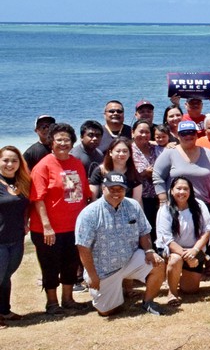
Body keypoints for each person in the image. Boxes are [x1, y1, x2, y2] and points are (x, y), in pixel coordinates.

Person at [76, 173, 167, 316]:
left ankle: (148, 301)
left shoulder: (133, 205)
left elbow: (144, 231)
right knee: (107, 312)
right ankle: (115, 295)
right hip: (103, 271)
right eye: (112, 189)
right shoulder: (90, 213)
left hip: (130, 260)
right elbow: (83, 247)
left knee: (158, 263)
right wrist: (93, 275)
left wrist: (149, 251)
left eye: (121, 189)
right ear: (103, 188)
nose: (116, 193)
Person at [30, 123, 90, 314]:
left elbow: (85, 194)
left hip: (73, 226)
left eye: (67, 139)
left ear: (72, 142)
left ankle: (68, 299)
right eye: (59, 140)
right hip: (49, 229)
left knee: (71, 264)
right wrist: (47, 226)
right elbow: (38, 198)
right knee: (50, 265)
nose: (63, 143)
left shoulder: (76, 163)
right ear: (51, 142)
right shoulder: (43, 166)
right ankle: (52, 303)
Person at [155, 177, 210, 305]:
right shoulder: (165, 209)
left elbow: (207, 231)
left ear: (190, 191)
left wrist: (194, 251)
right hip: (173, 251)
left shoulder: (200, 205)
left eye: (185, 189)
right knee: (176, 259)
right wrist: (187, 256)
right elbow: (167, 239)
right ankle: (172, 292)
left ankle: (175, 276)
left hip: (194, 249)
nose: (182, 192)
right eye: (178, 188)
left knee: (190, 290)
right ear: (171, 191)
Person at [153, 120, 210, 209]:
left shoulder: (208, 153)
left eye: (192, 132)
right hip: (176, 206)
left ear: (196, 135)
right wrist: (163, 200)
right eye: (184, 133)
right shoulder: (169, 153)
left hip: (204, 206)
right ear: (178, 135)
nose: (188, 136)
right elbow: (157, 176)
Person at [0, 146, 31, 326]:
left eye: (14, 160)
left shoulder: (22, 183)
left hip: (17, 238)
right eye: (5, 160)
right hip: (0, 240)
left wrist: (26, 222)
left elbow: (26, 205)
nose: (10, 164)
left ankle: (5, 310)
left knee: (6, 276)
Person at [131, 120, 162, 238]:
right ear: (133, 133)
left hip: (158, 198)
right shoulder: (128, 150)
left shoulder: (155, 148)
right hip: (139, 199)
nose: (144, 135)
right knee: (142, 232)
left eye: (147, 132)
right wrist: (145, 173)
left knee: (157, 231)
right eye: (141, 132)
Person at [88, 137, 143, 203]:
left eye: (125, 151)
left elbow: (136, 201)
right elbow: (93, 198)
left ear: (130, 154)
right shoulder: (100, 171)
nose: (121, 154)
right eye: (118, 151)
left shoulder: (134, 173)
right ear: (110, 152)